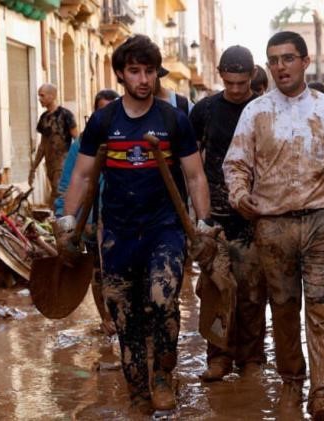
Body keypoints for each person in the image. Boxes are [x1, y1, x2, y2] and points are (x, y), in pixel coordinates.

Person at [223, 31, 324, 420]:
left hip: (323, 221)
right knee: (285, 309)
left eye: (288, 58)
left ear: (305, 62)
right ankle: (292, 382)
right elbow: (235, 163)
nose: (280, 66)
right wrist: (240, 196)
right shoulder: (255, 111)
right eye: (274, 59)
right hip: (272, 226)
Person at [60, 35, 213, 414]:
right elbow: (81, 175)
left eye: (149, 71)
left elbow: (195, 177)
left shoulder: (173, 120)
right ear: (121, 74)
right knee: (124, 314)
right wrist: (67, 218)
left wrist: (204, 224)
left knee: (163, 301)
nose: (143, 79)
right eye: (134, 71)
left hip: (164, 229)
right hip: (117, 231)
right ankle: (138, 389)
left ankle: (162, 374)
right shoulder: (103, 121)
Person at [188, 45, 267, 382]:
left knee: (252, 292)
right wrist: (198, 219)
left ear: (252, 76)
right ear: (220, 74)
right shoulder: (204, 111)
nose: (235, 89)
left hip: (256, 219)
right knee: (214, 290)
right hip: (215, 219)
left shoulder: (265, 110)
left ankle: (251, 359)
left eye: (242, 82)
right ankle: (218, 356)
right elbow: (191, 165)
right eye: (230, 82)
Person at [54, 89, 120, 336]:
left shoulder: (128, 139)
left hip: (123, 220)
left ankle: (124, 319)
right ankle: (106, 319)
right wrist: (64, 223)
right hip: (91, 221)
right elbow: (69, 182)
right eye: (102, 110)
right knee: (97, 272)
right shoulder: (83, 143)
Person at [29, 83, 79, 205]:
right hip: (50, 164)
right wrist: (33, 168)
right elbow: (42, 145)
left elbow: (77, 139)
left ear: (51, 96)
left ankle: (60, 219)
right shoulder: (44, 118)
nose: (39, 99)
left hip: (63, 162)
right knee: (56, 192)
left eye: (42, 96)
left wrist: (77, 163)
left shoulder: (65, 115)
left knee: (58, 193)